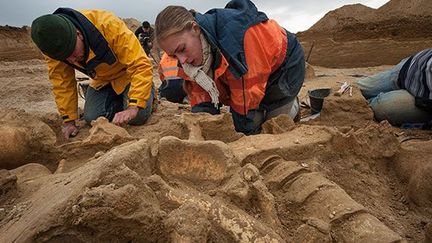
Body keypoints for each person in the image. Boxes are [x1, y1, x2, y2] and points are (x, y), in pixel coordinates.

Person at [155, 0, 305, 135]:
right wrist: (205, 122)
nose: (182, 60)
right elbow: (200, 97)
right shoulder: (190, 57)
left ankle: (293, 106)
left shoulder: (237, 40)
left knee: (272, 125)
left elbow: (246, 101)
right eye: (173, 55)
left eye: (182, 49)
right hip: (247, 75)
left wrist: (243, 134)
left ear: (195, 29)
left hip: (283, 68)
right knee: (249, 120)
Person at [31, 8, 154, 139]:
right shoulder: (54, 48)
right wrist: (69, 121)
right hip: (103, 80)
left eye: (72, 53)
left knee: (137, 117)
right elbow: (62, 82)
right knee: (91, 117)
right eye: (65, 58)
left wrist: (133, 107)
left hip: (129, 75)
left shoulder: (107, 24)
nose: (72, 60)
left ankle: (148, 91)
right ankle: (123, 99)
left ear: (78, 34)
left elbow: (140, 64)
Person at [357, 48, 432, 127]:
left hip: (423, 103)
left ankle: (364, 107)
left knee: (378, 109)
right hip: (412, 68)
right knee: (356, 89)